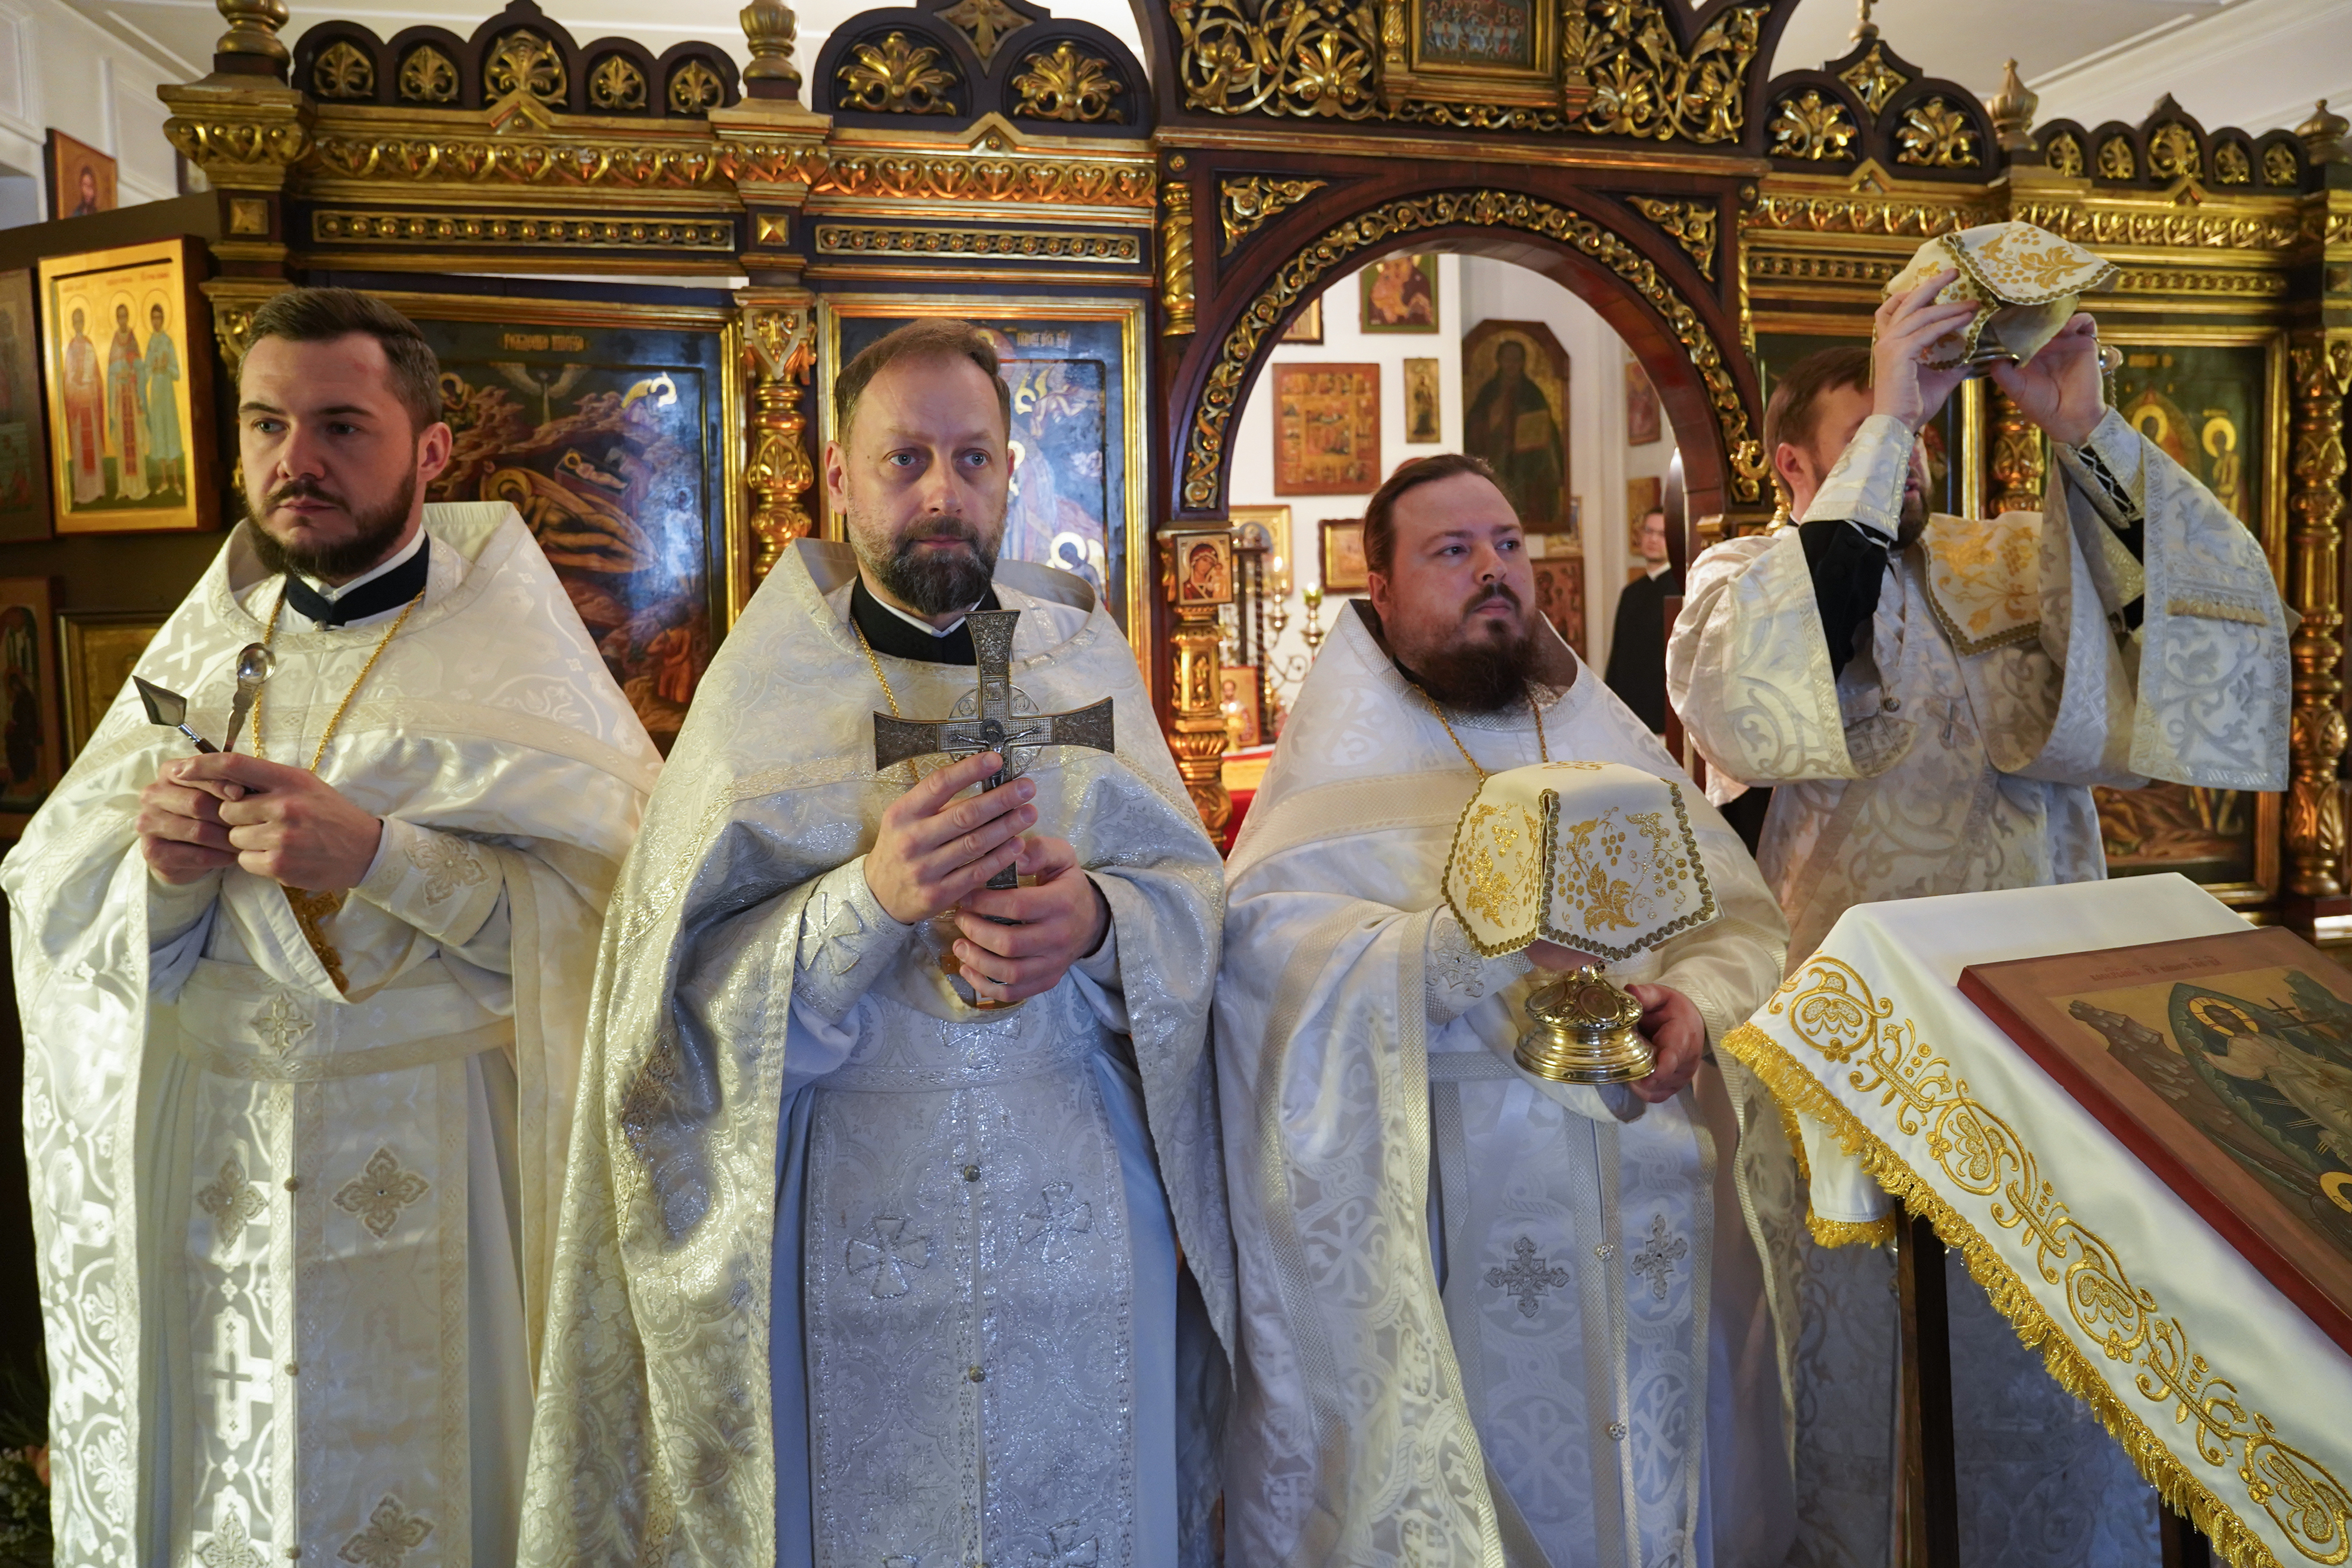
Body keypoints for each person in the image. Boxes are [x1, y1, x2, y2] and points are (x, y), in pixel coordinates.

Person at [520, 320, 1232, 1565]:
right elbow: (667, 1016)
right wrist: (867, 898)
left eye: (972, 458)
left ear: (1012, 474)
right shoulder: (766, 693)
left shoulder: (1079, 659)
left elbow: (1189, 893)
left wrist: (1099, 920)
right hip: (853, 1223)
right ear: (838, 480)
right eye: (904, 459)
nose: (941, 491)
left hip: (1080, 1219)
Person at [5, 287, 660, 1568]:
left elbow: (618, 921)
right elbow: (51, 902)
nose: (294, 462)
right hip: (218, 1178)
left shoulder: (514, 659)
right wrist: (166, 873)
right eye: (266, 424)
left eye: (340, 427)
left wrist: (384, 857)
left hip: (445, 1160)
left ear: (429, 449)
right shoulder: (204, 648)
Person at [1218, 451, 1798, 1566]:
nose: (1494, 570)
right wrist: (1458, 949)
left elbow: (1741, 922)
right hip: (1456, 1218)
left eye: (1507, 545)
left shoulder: (1594, 738)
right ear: (1378, 591)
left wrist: (1694, 1004)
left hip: (1653, 1211)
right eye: (1452, 550)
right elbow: (1267, 974)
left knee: (1656, 1489)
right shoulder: (1335, 780)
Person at [1668, 268, 2288, 964]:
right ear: (1792, 462)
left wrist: (2085, 430)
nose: (1903, 455)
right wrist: (1893, 417)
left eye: (1915, 436)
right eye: (1867, 436)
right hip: (1854, 957)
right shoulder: (1744, 576)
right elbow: (1744, 717)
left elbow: (2189, 616)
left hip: (2037, 938)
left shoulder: (2017, 553)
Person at [1603, 503, 1676, 733]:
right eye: (1649, 531)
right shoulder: (1631, 593)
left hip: (1664, 715)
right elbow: (1618, 656)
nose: (1653, 539)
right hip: (1628, 714)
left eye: (1662, 534)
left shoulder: (1682, 590)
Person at [105, 300, 148, 500]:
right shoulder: (115, 340)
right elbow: (110, 371)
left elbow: (140, 367)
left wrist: (132, 372)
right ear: (116, 319)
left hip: (132, 396)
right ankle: (124, 488)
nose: (122, 320)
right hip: (120, 400)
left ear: (128, 318)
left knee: (135, 441)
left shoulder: (132, 339)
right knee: (123, 442)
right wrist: (117, 375)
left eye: (125, 316)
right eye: (119, 316)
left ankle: (139, 488)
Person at [61, 306, 102, 504]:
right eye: (75, 320)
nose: (79, 324)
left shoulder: (89, 345)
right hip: (78, 405)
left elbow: (96, 376)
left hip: (89, 404)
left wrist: (90, 382)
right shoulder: (70, 348)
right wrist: (76, 382)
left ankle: (97, 489)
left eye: (81, 320)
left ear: (84, 322)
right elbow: (67, 379)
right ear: (72, 324)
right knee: (79, 447)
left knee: (92, 445)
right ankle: (82, 493)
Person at [143, 302, 185, 497]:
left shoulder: (168, 342)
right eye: (153, 318)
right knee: (159, 433)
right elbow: (145, 371)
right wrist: (152, 367)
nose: (156, 321)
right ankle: (164, 481)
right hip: (156, 393)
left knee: (170, 432)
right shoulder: (151, 342)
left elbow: (177, 373)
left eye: (159, 317)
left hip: (167, 392)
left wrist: (166, 367)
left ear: (163, 319)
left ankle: (176, 480)